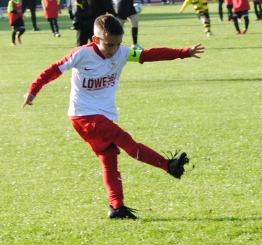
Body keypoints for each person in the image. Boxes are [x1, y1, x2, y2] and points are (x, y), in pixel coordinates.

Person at [23, 14, 201, 219]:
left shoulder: (122, 53)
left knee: (109, 159)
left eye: (118, 44)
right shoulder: (81, 54)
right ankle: (168, 165)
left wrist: (183, 53)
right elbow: (53, 70)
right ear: (95, 39)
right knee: (126, 141)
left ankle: (117, 207)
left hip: (101, 116)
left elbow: (148, 55)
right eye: (109, 45)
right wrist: (33, 90)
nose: (114, 49)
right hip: (84, 115)